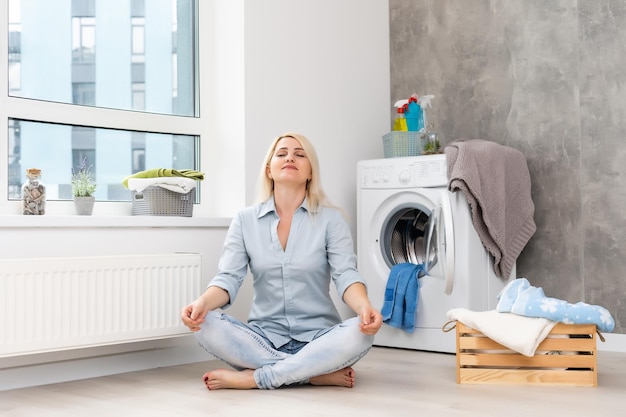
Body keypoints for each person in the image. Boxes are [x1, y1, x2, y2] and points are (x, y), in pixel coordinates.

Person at [181, 132, 382, 390]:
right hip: (263, 337)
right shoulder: (244, 220)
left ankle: (258, 378)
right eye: (282, 153)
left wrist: (365, 308)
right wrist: (201, 303)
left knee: (360, 334)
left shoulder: (332, 220)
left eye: (300, 154)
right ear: (269, 169)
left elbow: (346, 275)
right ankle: (310, 372)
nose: (290, 157)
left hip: (320, 337)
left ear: (310, 172)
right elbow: (228, 278)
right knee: (205, 324)